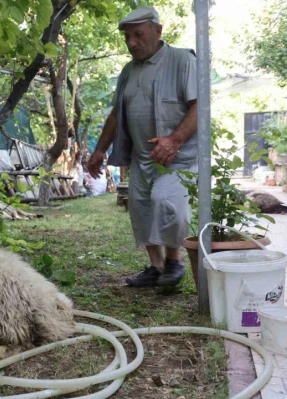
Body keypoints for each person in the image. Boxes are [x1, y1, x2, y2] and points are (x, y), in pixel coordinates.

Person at [87, 6, 198, 288]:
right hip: (141, 157)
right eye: (127, 37)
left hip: (179, 157)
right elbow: (115, 115)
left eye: (138, 35)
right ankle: (156, 267)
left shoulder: (181, 60)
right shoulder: (128, 71)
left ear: (157, 31)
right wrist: (100, 150)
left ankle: (174, 262)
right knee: (141, 209)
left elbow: (201, 107)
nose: (131, 42)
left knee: (167, 202)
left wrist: (174, 140)